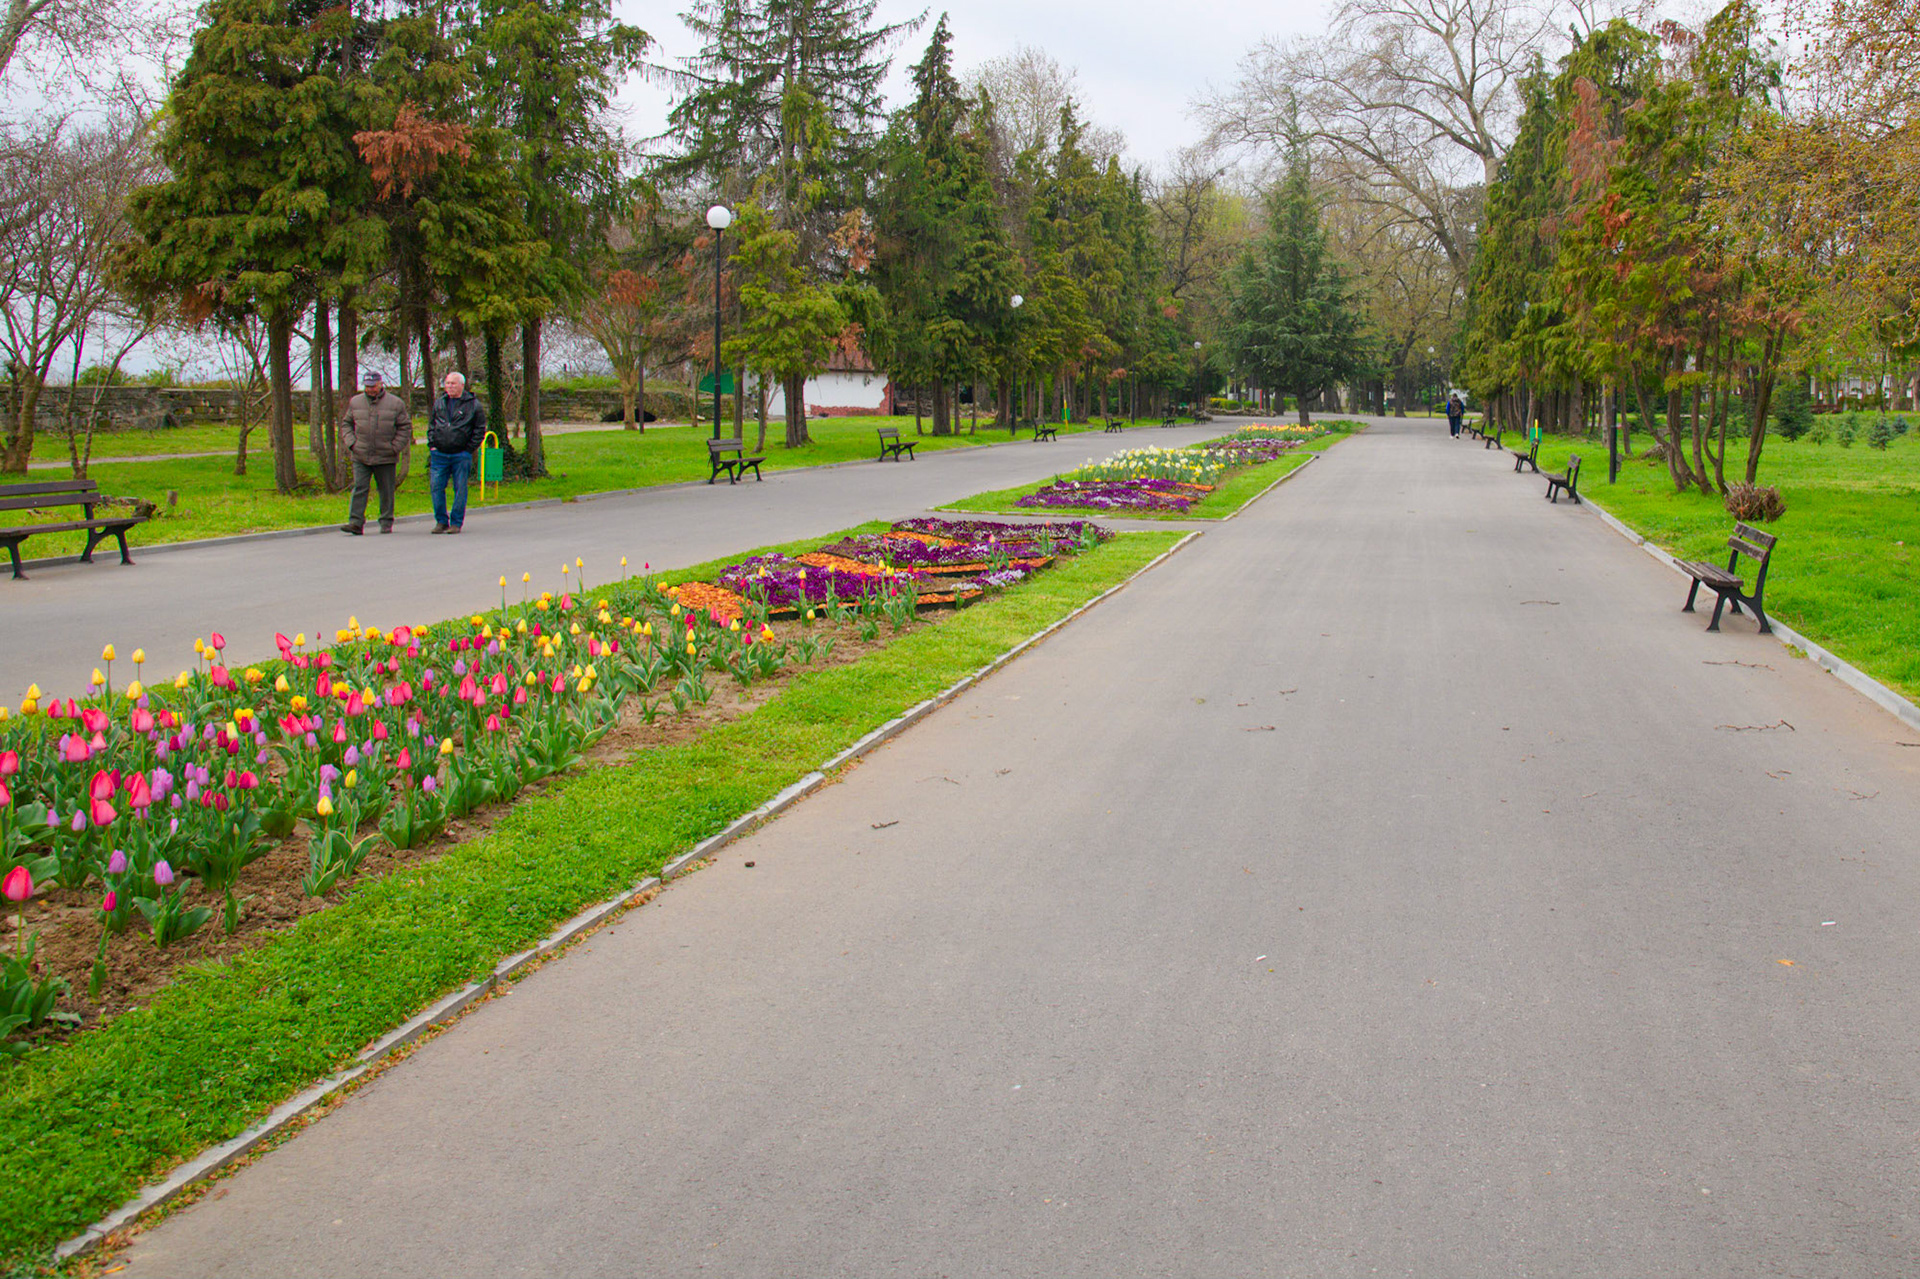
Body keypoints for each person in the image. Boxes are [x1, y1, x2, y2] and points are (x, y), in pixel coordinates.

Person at [340, 370, 412, 534]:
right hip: (361, 454)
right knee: (360, 488)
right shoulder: (355, 402)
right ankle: (356, 522)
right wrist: (352, 443)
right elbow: (346, 424)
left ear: (380, 384)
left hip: (386, 455)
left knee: (386, 490)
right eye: (367, 386)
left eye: (373, 386)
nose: (370, 389)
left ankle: (386, 521)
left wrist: (394, 447)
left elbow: (405, 427)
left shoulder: (395, 403)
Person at [426, 370, 487, 534]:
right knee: (436, 487)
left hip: (461, 455)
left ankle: (456, 522)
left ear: (461, 385)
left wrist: (468, 449)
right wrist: (432, 444)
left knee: (460, 488)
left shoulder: (473, 404)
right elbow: (432, 425)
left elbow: (479, 429)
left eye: (453, 383)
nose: (450, 386)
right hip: (439, 454)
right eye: (447, 383)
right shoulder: (439, 403)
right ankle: (441, 521)